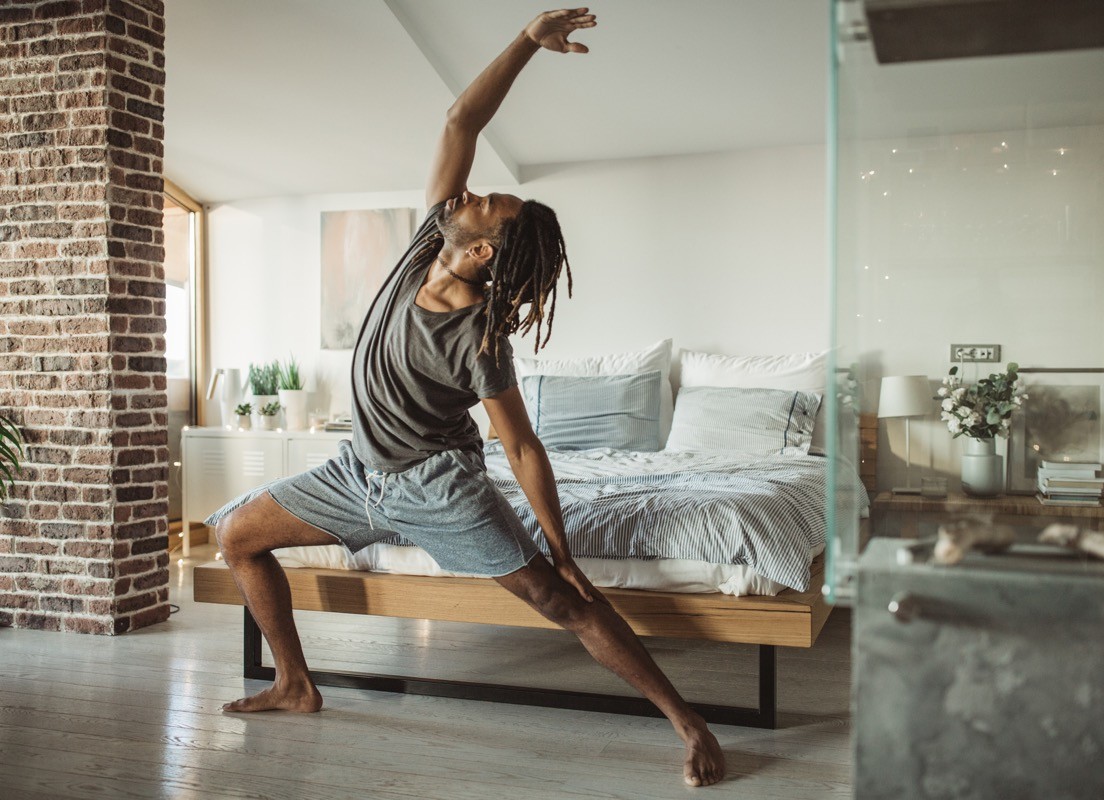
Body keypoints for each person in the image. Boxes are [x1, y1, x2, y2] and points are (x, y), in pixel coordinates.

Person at [206, 8, 726, 788]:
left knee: (564, 602)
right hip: (357, 471)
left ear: (482, 250)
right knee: (237, 535)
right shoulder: (426, 241)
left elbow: (520, 446)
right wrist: (526, 42)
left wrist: (561, 545)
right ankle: (294, 683)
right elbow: (462, 118)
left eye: (491, 207)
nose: (477, 193)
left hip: (438, 488)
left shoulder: (480, 338)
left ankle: (691, 725)